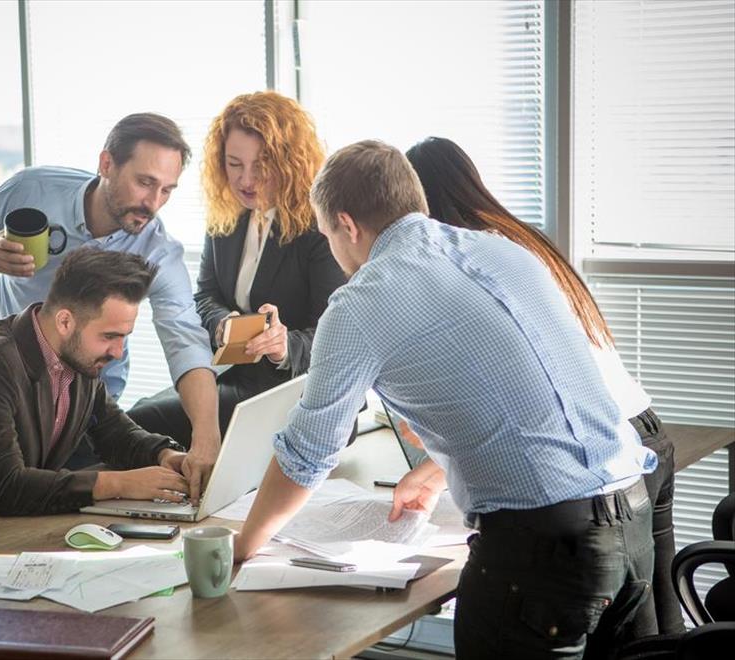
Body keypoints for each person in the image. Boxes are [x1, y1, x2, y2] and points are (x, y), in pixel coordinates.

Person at [233, 140, 658, 659]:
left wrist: (241, 547)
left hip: (543, 549)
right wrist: (437, 469)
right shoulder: (503, 251)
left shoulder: (362, 300)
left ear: (346, 224)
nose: (337, 258)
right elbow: (531, 394)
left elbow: (307, 454)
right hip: (632, 519)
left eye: (327, 237)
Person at [405, 135, 684, 638]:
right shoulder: (519, 241)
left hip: (605, 449)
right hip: (644, 435)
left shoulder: (478, 263)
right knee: (662, 631)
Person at [0, 113, 219, 501]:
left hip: (82, 397)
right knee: (4, 493)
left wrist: (204, 440)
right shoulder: (34, 189)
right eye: (145, 182)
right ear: (107, 163)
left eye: (167, 190)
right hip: (4, 384)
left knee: (67, 505)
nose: (154, 203)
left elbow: (185, 340)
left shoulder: (158, 250)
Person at [0, 249, 191, 523]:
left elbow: (115, 434)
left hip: (14, 526)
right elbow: (6, 488)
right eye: (108, 336)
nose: (117, 351)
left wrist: (167, 456)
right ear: (65, 322)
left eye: (124, 337)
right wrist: (121, 483)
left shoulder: (79, 359)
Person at [127, 91, 345, 445]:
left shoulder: (319, 229)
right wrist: (223, 323)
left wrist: (282, 345)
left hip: (295, 394)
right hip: (235, 375)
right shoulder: (226, 217)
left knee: (142, 423)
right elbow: (205, 296)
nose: (246, 181)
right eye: (234, 164)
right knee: (139, 416)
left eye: (262, 165)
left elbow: (334, 336)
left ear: (290, 161)